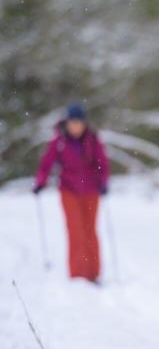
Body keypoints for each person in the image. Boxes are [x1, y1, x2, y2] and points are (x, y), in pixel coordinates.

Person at [33, 102, 110, 283]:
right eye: (72, 122)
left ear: (84, 123)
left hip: (91, 190)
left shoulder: (93, 140)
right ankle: (77, 275)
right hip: (69, 190)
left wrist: (103, 181)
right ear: (66, 123)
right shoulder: (59, 141)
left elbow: (102, 163)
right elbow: (46, 163)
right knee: (75, 230)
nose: (75, 126)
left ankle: (93, 273)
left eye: (78, 122)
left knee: (90, 231)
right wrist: (40, 182)